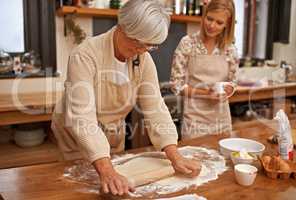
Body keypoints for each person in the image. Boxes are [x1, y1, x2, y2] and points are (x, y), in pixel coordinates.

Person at [51, 0, 201, 196]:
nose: (143, 51)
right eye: (140, 43)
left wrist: (174, 155)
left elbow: (155, 107)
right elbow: (82, 118)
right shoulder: (85, 55)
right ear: (122, 27)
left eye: (150, 46)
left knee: (114, 190)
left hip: (112, 132)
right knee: (79, 187)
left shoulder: (143, 58)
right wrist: (106, 170)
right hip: (76, 135)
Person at [170, 0, 239, 139]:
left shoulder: (230, 49)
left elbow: (233, 82)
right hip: (194, 122)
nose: (212, 25)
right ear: (204, 15)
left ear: (227, 25)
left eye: (219, 22)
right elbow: (176, 86)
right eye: (209, 19)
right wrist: (207, 93)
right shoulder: (187, 43)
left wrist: (228, 90)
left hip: (222, 121)